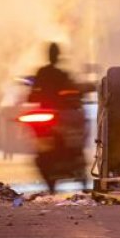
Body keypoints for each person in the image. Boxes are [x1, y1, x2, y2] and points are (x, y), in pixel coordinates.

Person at [26, 42, 90, 192]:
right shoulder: (60, 74)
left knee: (75, 139)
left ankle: (65, 173)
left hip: (56, 116)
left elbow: (33, 94)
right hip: (54, 115)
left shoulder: (44, 73)